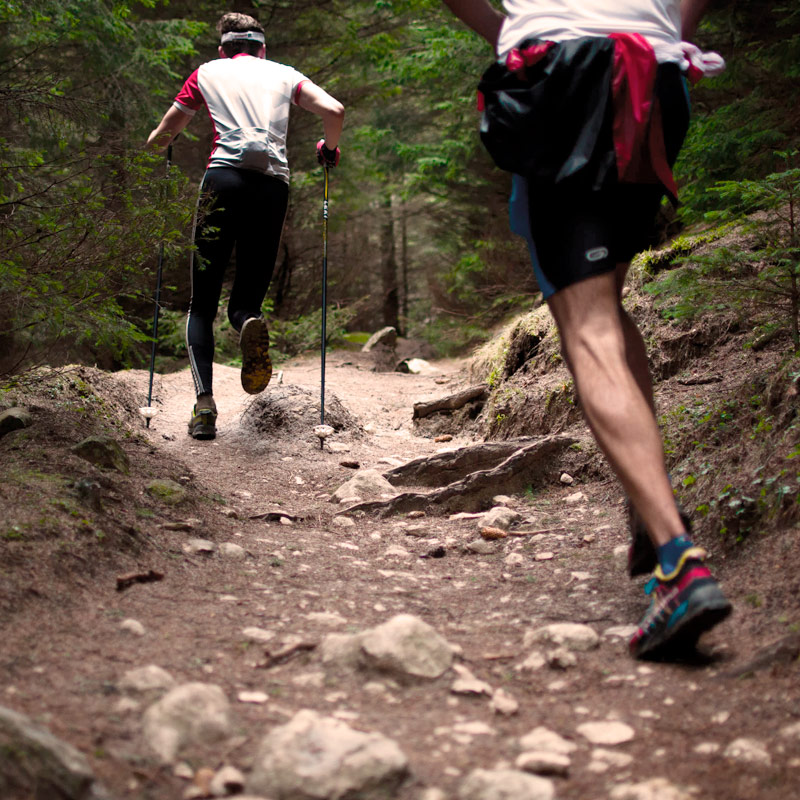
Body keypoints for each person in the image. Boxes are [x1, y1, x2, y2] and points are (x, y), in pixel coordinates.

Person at [442, 0, 731, 660]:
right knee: (608, 302)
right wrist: (669, 37)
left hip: (559, 74)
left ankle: (679, 562)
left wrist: (507, 31)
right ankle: (648, 515)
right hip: (654, 76)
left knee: (588, 324)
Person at [147, 12, 344, 440]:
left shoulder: (206, 73)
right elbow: (334, 109)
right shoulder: (284, 74)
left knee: (201, 304)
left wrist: (158, 143)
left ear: (223, 49)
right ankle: (247, 324)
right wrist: (328, 148)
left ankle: (204, 409)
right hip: (272, 187)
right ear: (262, 49)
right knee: (245, 304)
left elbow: (167, 130)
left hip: (223, 180)